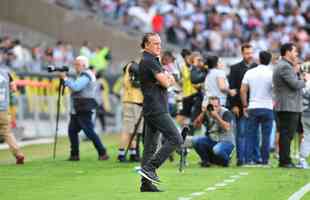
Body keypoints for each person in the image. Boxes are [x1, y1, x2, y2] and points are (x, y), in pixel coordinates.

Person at [137, 32, 183, 192]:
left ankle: (146, 184)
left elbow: (167, 80)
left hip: (151, 107)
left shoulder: (149, 60)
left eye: (160, 43)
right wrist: (167, 79)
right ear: (146, 45)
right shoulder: (150, 61)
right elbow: (166, 82)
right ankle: (150, 168)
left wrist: (167, 79)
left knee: (150, 147)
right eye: (155, 43)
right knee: (176, 139)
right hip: (157, 108)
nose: (159, 46)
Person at [60, 56, 109, 161]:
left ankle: (102, 152)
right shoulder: (84, 75)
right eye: (75, 64)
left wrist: (65, 79)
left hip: (83, 107)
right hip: (79, 107)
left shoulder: (86, 75)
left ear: (84, 65)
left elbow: (76, 87)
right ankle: (74, 154)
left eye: (77, 64)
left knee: (89, 131)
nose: (75, 66)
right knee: (72, 131)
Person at [273, 43, 310, 168]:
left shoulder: (286, 66)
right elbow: (295, 85)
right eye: (295, 51)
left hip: (288, 105)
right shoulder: (284, 67)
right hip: (288, 105)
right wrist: (305, 79)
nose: (297, 54)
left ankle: (285, 159)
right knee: (287, 134)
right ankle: (285, 161)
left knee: (287, 134)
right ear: (288, 52)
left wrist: (298, 73)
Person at [240, 51, 274, 165]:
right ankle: (265, 160)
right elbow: (276, 90)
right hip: (267, 106)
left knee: (250, 135)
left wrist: (244, 105)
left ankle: (248, 160)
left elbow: (243, 90)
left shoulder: (250, 72)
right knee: (266, 136)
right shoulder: (271, 73)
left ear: (259, 59)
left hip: (253, 106)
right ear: (269, 60)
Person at [228, 43, 258, 166]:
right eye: (247, 53)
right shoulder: (235, 68)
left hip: (255, 104)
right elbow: (232, 88)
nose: (249, 55)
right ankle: (241, 159)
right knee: (241, 133)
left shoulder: (257, 67)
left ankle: (254, 158)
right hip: (240, 106)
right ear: (242, 54)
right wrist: (234, 105)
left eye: (251, 53)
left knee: (255, 133)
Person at [192, 96, 235, 167]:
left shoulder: (225, 112)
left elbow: (227, 128)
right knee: (197, 141)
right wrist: (203, 113)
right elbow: (195, 125)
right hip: (212, 140)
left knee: (217, 150)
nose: (214, 108)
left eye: (216, 106)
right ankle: (206, 162)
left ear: (220, 105)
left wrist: (217, 117)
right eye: (212, 106)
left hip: (226, 141)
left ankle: (226, 161)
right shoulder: (207, 112)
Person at [118, 61, 143, 162]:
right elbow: (136, 84)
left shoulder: (130, 70)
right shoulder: (132, 68)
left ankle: (133, 153)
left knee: (134, 131)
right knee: (128, 130)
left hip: (135, 102)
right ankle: (121, 153)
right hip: (132, 102)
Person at [0, 68, 25, 164]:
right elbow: (14, 89)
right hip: (4, 110)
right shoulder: (6, 73)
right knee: (7, 133)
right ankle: (18, 154)